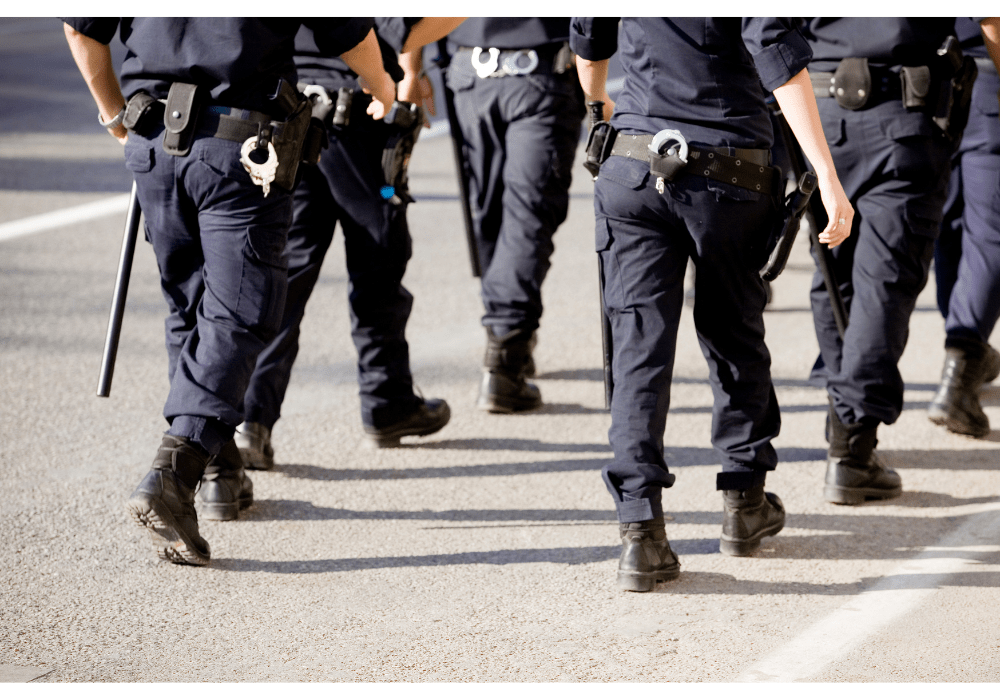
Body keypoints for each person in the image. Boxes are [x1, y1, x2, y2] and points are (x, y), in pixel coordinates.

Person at [62, 17, 395, 566]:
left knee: (191, 309)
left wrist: (115, 115)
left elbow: (81, 29)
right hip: (241, 147)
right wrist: (380, 81)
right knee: (241, 310)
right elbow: (344, 29)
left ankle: (218, 472)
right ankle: (177, 469)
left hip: (154, 141)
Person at [571, 18, 853, 591]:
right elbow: (777, 56)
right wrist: (825, 172)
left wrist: (599, 106)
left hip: (632, 160)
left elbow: (588, 38)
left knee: (637, 346)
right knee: (733, 330)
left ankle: (640, 531)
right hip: (727, 171)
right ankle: (744, 499)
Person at [234, 18, 465, 475]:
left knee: (286, 275)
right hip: (357, 117)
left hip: (289, 119)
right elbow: (410, 22)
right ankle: (387, 402)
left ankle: (250, 423)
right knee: (378, 260)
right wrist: (404, 63)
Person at [799, 19, 1000, 504]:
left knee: (835, 274)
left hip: (818, 105)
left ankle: (844, 420)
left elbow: (764, 30)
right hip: (902, 113)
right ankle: (852, 447)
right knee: (883, 282)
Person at [440, 18, 585, 413]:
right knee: (525, 216)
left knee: (491, 214)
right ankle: (505, 351)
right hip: (538, 74)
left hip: (470, 72)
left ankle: (510, 332)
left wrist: (410, 68)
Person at [929, 18, 1000, 438]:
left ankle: (967, 350)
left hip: (930, 83)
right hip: (987, 71)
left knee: (950, 226)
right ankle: (961, 366)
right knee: (990, 233)